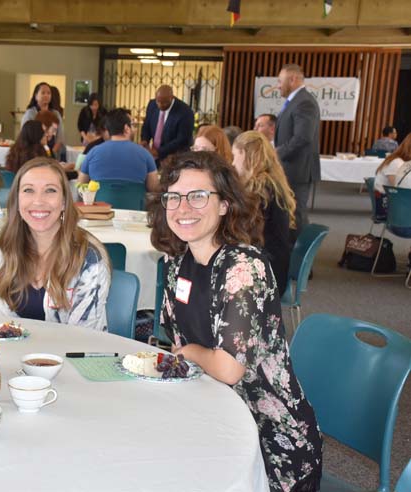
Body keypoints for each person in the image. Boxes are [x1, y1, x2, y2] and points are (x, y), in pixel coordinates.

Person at [149, 151, 322, 491]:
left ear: (225, 204)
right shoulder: (176, 263)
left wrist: (192, 353)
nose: (183, 208)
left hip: (270, 437)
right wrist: (191, 353)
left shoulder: (243, 267)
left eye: (198, 196)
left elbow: (227, 368)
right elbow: (178, 344)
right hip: (210, 413)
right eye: (174, 197)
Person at [0, 157, 110, 331]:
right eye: (28, 190)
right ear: (17, 201)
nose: (38, 201)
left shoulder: (88, 260)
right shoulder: (7, 251)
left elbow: (83, 338)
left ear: (64, 202)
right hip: (15, 354)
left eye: (50, 190)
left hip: (73, 355)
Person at [232, 131, 296, 296]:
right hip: (276, 265)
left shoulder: (260, 189)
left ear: (245, 155)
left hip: (266, 272)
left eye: (234, 156)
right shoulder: (272, 183)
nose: (232, 163)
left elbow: (245, 232)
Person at [274, 64, 320, 235]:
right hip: (291, 168)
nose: (278, 85)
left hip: (297, 170)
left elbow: (302, 138)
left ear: (292, 79)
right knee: (290, 212)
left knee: (296, 213)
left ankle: (301, 254)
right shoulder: (296, 101)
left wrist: (276, 153)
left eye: (280, 80)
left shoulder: (304, 102)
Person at [78, 108, 160, 192]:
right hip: (134, 204)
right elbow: (154, 189)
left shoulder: (93, 153)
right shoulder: (145, 155)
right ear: (126, 128)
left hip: (101, 203)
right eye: (132, 125)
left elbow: (81, 186)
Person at [140, 84, 195, 166]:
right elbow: (147, 125)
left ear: (172, 98)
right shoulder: (152, 105)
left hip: (175, 157)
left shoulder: (185, 112)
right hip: (154, 157)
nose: (160, 105)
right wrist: (145, 139)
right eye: (158, 101)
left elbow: (183, 139)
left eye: (164, 103)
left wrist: (159, 152)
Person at [21, 82, 65, 159]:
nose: (46, 95)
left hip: (53, 152)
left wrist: (51, 154)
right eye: (43, 93)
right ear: (36, 96)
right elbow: (25, 135)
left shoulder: (56, 114)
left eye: (48, 93)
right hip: (33, 152)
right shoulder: (30, 113)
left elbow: (60, 137)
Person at [373, 133, 411, 217]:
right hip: (387, 207)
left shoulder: (401, 161)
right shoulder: (397, 162)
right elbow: (398, 188)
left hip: (393, 203)